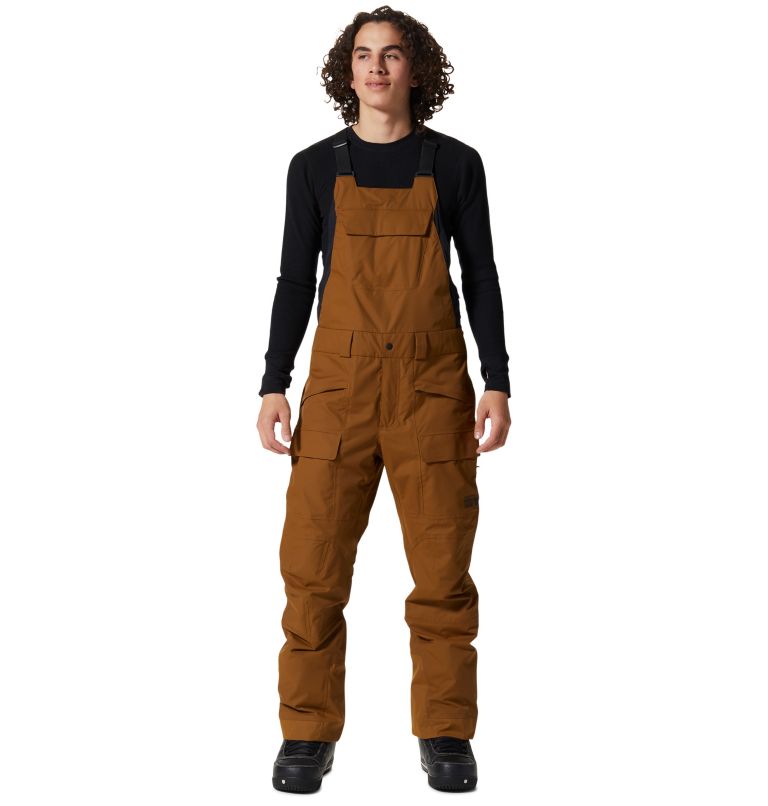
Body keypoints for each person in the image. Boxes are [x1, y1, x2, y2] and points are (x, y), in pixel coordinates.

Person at [257, 6, 511, 793]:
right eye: (364, 54)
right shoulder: (313, 167)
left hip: (432, 391)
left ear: (415, 69)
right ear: (348, 70)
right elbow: (295, 280)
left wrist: (497, 378)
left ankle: (445, 732)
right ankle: (306, 735)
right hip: (339, 392)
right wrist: (273, 381)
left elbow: (481, 277)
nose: (376, 67)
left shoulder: (456, 164)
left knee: (442, 573)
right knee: (312, 571)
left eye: (392, 54)